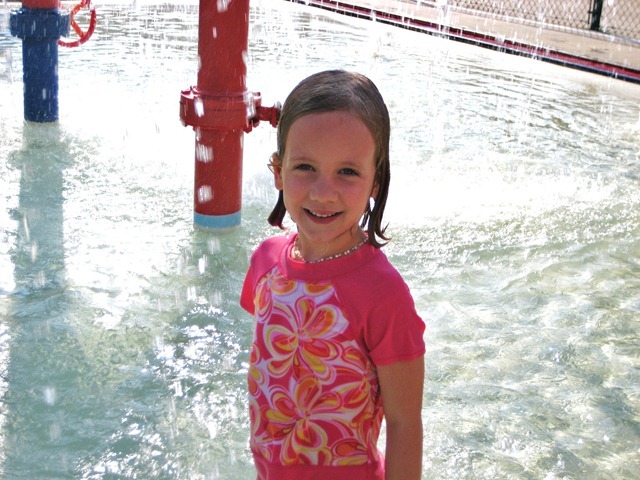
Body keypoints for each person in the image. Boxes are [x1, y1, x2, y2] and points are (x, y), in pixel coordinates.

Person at [240, 70, 425, 480]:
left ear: (375, 180)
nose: (323, 192)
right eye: (305, 166)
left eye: (347, 172)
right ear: (277, 170)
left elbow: (405, 423)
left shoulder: (382, 294)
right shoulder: (266, 263)